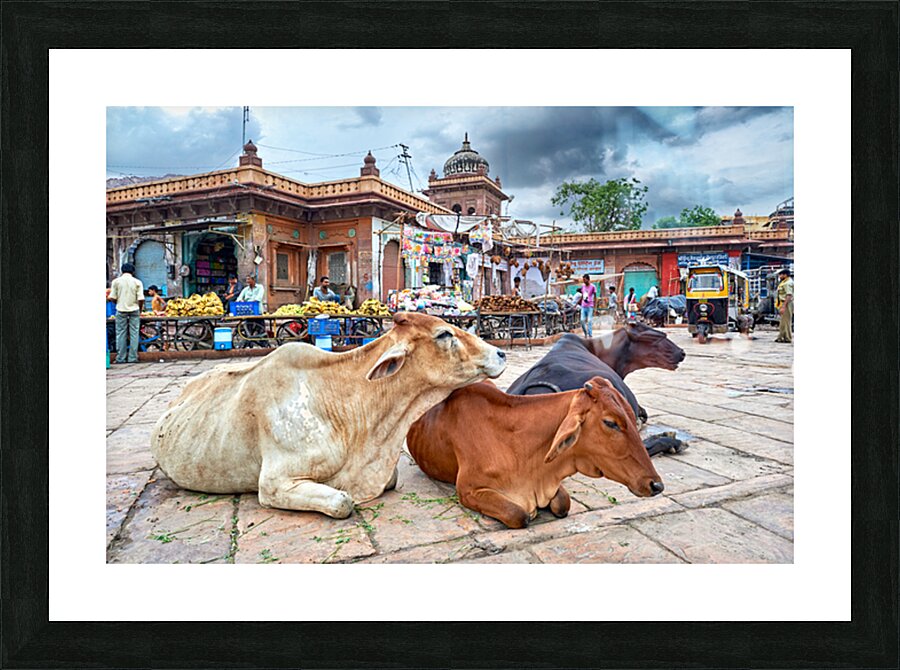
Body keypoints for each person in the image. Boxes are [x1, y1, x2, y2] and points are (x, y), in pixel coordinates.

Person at [107, 263, 144, 364]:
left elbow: (112, 298)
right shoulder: (137, 282)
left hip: (121, 309)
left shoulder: (116, 282)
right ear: (133, 271)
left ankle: (120, 358)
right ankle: (133, 357)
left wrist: (118, 303)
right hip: (134, 309)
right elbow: (141, 299)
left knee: (120, 333)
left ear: (122, 271)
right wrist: (139, 309)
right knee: (134, 333)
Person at [774, 269, 794, 343]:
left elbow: (789, 295)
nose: (780, 276)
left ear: (785, 275)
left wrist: (783, 306)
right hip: (783, 303)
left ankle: (787, 338)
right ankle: (782, 337)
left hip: (786, 303)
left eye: (781, 274)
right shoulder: (784, 282)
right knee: (783, 321)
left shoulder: (788, 283)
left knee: (786, 321)